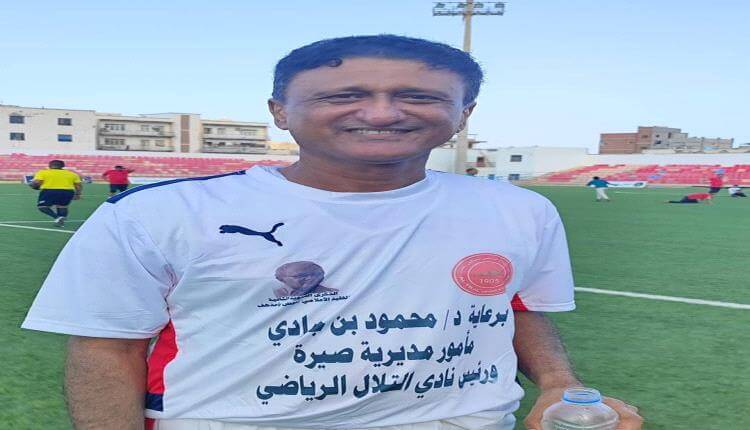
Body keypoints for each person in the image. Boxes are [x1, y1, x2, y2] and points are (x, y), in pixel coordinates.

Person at [21, 35, 642, 430]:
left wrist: (559, 384)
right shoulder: (157, 214)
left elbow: (519, 310)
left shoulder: (519, 210)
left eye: (418, 95)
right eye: (343, 95)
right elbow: (106, 350)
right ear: (279, 111)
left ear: (463, 114)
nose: (381, 112)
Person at [29, 159, 82, 227]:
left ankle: (57, 217)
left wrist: (32, 185)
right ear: (63, 166)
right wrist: (78, 194)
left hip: (49, 191)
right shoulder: (72, 174)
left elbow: (37, 183)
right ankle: (60, 222)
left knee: (42, 206)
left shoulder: (43, 172)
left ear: (49, 165)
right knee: (62, 206)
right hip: (68, 191)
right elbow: (78, 185)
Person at [273, 261, 338, 298]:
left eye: (313, 274)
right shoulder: (273, 295)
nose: (309, 278)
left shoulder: (331, 293)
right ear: (281, 279)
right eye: (300, 276)